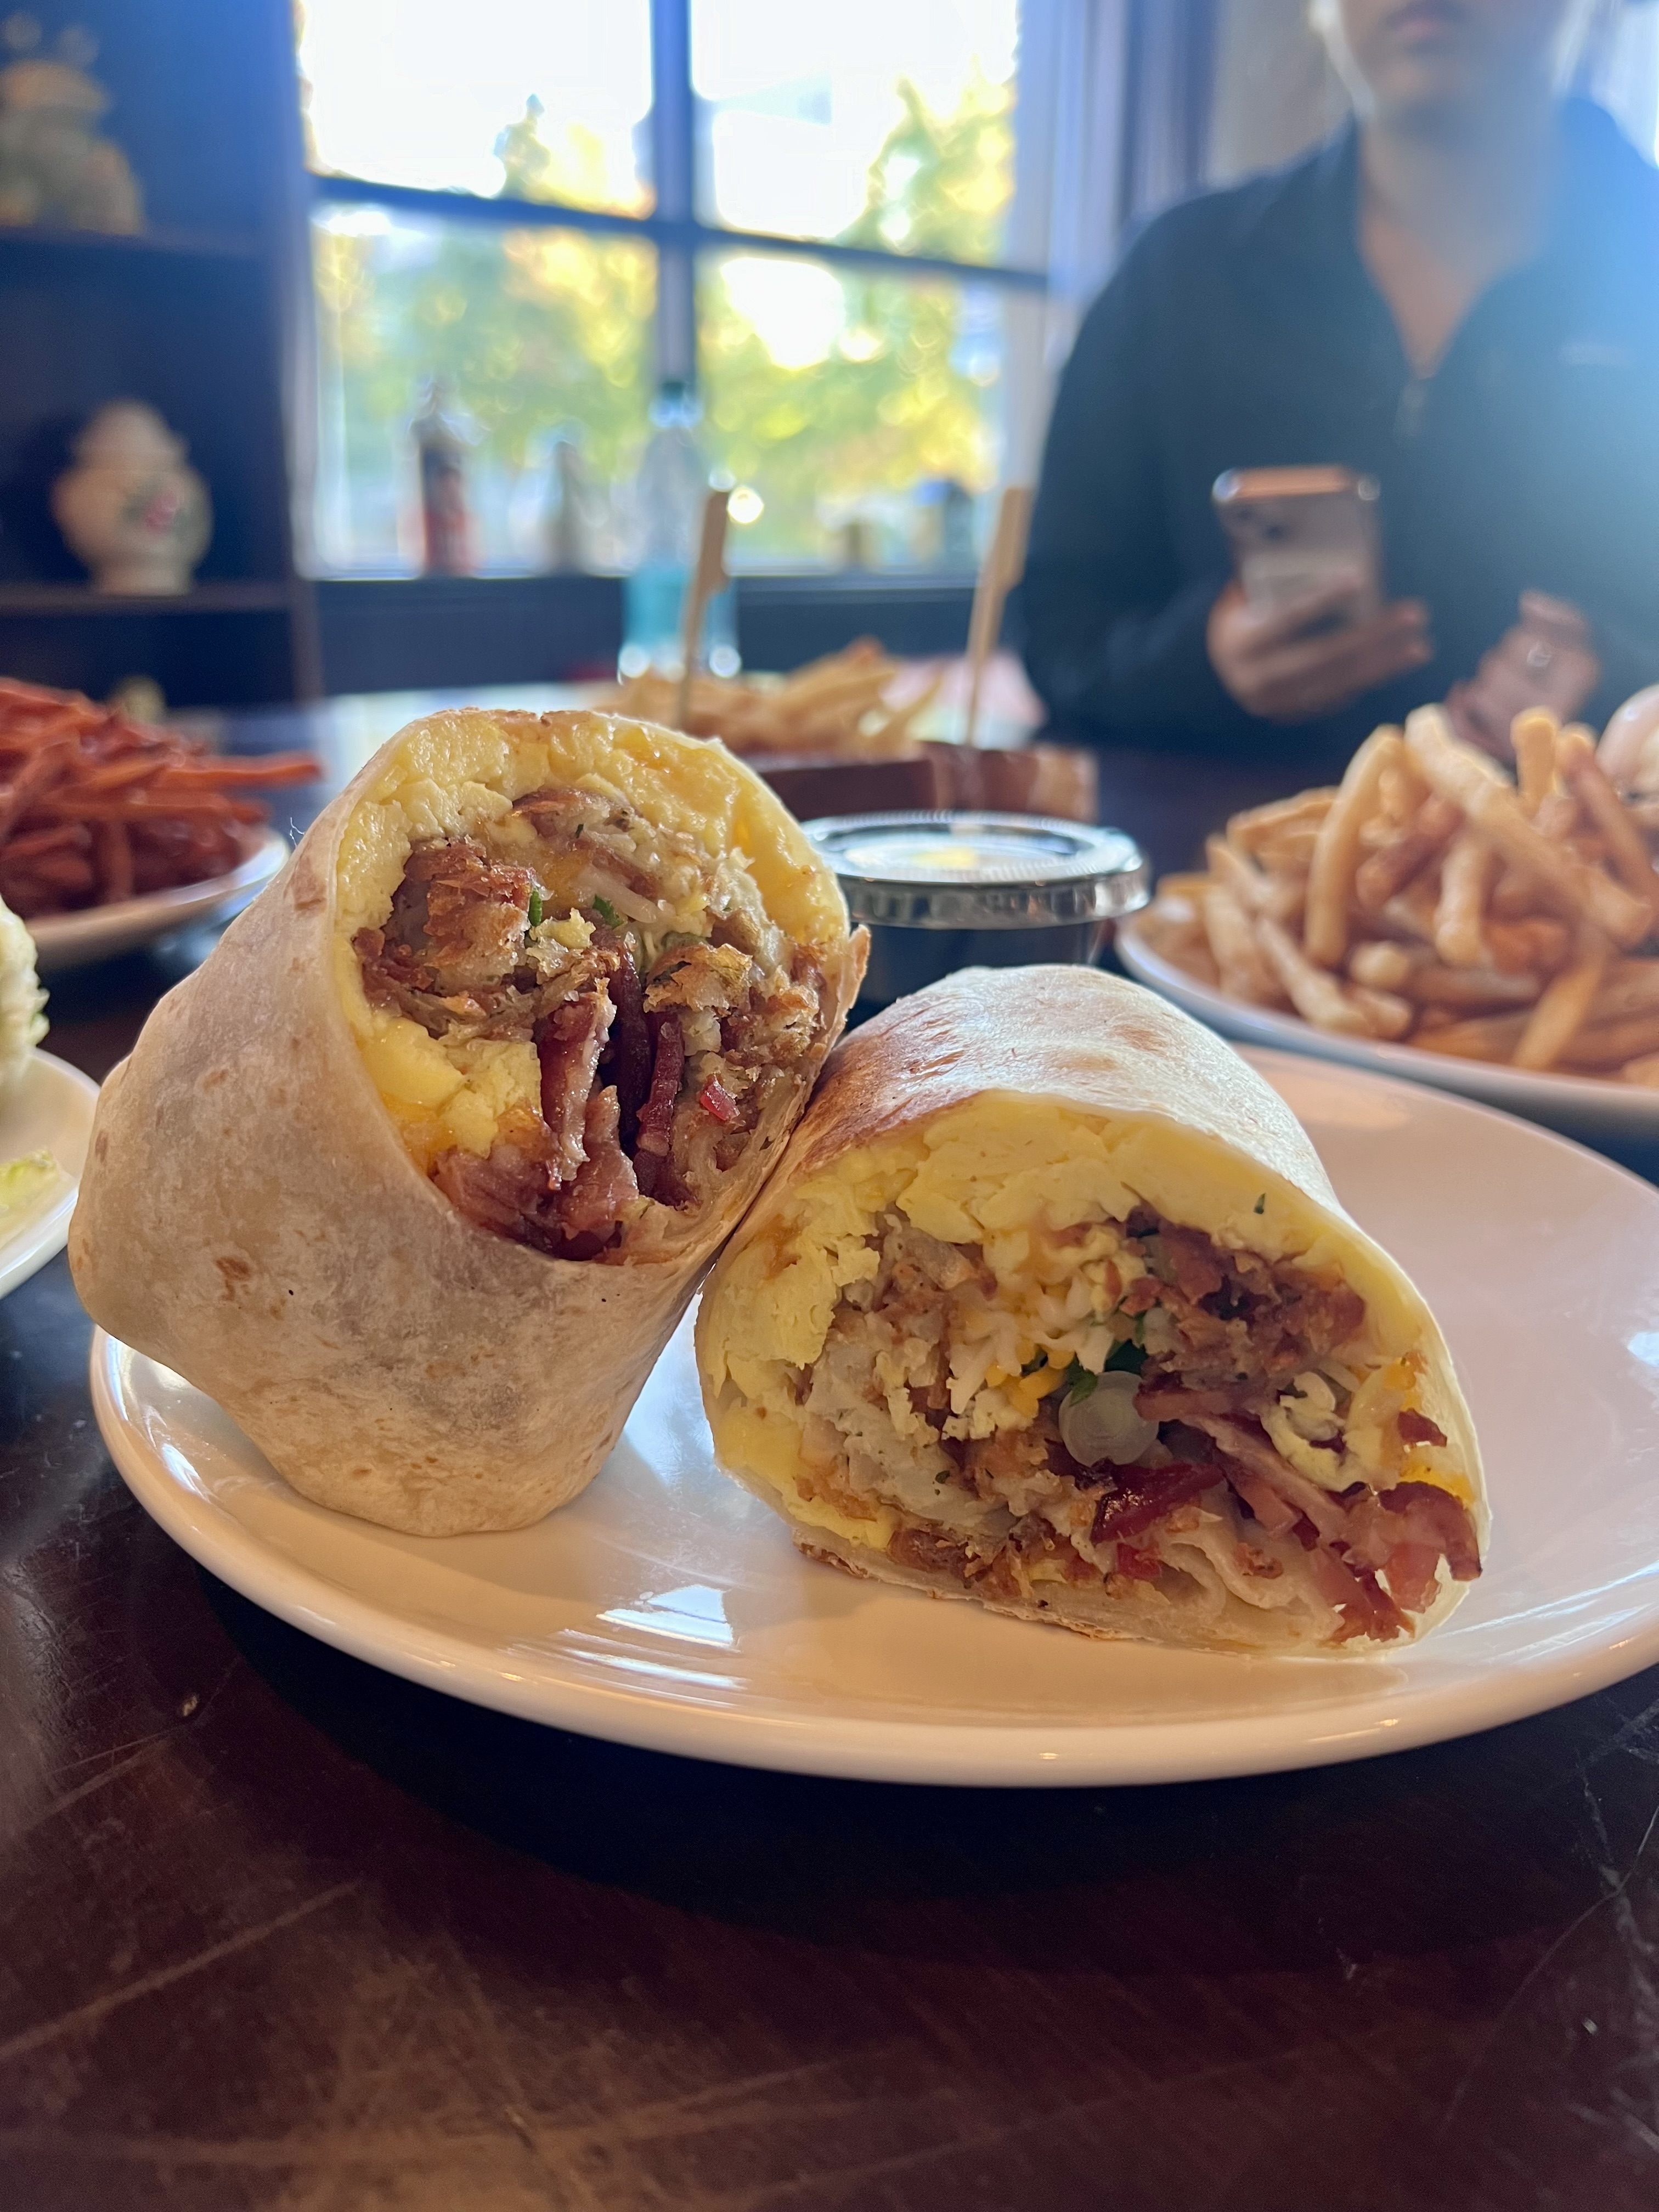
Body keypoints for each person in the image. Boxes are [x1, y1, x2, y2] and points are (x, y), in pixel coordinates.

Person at [1022, 0, 1659, 770]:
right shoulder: (1177, 277)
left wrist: (1627, 694)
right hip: (1224, 874)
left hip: (1586, 882)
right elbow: (1058, 634)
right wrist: (1203, 663)